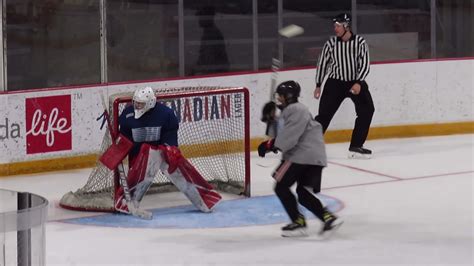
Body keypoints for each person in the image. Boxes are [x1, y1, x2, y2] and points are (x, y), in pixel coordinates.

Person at [100, 86, 222, 217]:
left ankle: (205, 199)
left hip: (162, 153)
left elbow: (170, 141)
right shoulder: (128, 115)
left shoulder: (166, 114)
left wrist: (171, 151)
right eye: (135, 102)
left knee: (175, 165)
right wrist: (116, 152)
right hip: (138, 158)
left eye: (140, 104)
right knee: (147, 153)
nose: (136, 106)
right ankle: (125, 202)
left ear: (151, 102)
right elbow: (124, 140)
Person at [258, 80, 343, 237]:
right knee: (303, 194)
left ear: (288, 96)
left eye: (281, 96)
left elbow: (289, 137)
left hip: (301, 156)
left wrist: (269, 145)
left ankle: (298, 222)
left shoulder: (296, 110)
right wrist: (271, 121)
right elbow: (283, 133)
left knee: (281, 187)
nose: (279, 99)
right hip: (313, 156)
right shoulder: (292, 111)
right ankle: (328, 218)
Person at [314, 13, 375, 159]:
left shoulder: (360, 42)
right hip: (335, 83)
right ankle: (307, 145)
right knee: (323, 116)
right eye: (334, 26)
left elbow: (365, 64)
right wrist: (318, 84)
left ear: (346, 26)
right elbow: (322, 64)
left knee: (367, 110)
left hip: (355, 81)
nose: (335, 28)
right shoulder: (331, 44)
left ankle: (356, 146)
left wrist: (359, 82)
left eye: (337, 26)